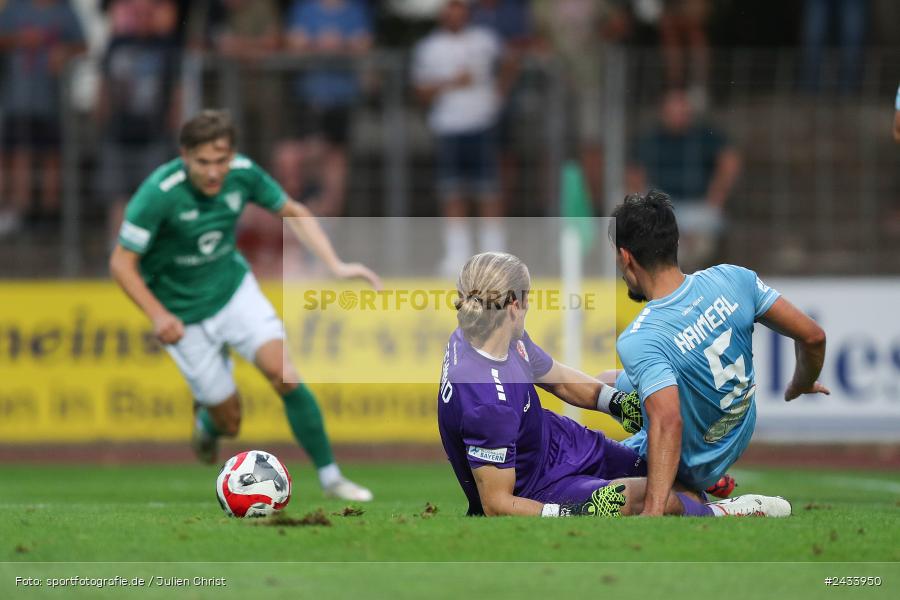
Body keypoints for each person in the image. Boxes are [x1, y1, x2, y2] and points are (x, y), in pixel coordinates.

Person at [109, 110, 381, 501]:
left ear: (232, 155)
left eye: (221, 161)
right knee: (229, 420)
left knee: (284, 374)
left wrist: (335, 265)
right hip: (182, 313)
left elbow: (295, 211)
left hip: (233, 291)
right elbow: (121, 262)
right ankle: (208, 422)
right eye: (203, 162)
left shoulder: (244, 174)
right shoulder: (158, 193)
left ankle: (332, 477)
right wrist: (158, 314)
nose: (214, 172)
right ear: (184, 156)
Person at [438, 251, 791, 518]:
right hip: (539, 485)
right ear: (514, 305)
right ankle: (733, 511)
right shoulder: (489, 402)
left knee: (669, 478)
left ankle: (699, 492)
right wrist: (572, 513)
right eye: (528, 298)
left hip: (561, 441)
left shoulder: (488, 330)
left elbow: (556, 377)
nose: (530, 306)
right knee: (655, 495)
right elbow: (496, 503)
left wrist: (618, 403)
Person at [611, 190, 828, 517]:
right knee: (613, 383)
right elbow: (814, 337)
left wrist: (652, 512)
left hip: (695, 458)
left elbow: (669, 422)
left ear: (626, 257)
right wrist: (802, 382)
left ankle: (714, 505)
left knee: (590, 483)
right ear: (675, 243)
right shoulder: (733, 278)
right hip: (738, 428)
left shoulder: (641, 337)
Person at [412, 0, 506, 277]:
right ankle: (457, 255)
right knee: (452, 191)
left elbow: (511, 59)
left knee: (488, 190)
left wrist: (499, 92)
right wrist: (452, 82)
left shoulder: (485, 40)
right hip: (449, 126)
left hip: (482, 123)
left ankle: (495, 253)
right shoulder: (429, 47)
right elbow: (420, 91)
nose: (456, 13)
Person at [273, 0, 372, 219]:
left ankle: (328, 222)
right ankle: (302, 215)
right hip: (307, 99)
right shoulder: (303, 8)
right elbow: (293, 44)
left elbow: (364, 45)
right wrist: (322, 46)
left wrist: (338, 46)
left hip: (341, 100)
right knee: (296, 156)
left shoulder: (355, 10)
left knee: (334, 163)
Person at [95, 0, 181, 245]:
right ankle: (118, 247)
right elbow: (103, 84)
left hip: (153, 134)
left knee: (153, 195)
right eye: (138, 14)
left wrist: (173, 125)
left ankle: (148, 248)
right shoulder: (117, 44)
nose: (143, 19)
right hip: (119, 132)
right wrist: (101, 116)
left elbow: (176, 90)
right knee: (117, 195)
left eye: (148, 14)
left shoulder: (166, 47)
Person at [626, 88, 740, 271]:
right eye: (673, 112)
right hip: (660, 207)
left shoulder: (704, 137)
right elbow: (634, 174)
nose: (678, 117)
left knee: (701, 241)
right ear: (662, 113)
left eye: (683, 112)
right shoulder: (650, 139)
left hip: (699, 206)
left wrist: (716, 196)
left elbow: (730, 160)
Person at [0, 0, 85, 235]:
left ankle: (49, 214)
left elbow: (84, 46)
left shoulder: (65, 10)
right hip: (16, 99)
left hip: (53, 101)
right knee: (18, 153)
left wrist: (64, 52)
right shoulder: (16, 8)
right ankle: (19, 210)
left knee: (51, 155)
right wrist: (21, 39)